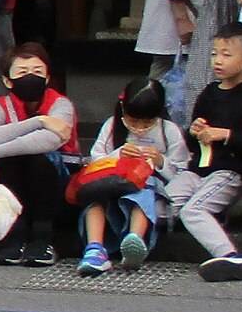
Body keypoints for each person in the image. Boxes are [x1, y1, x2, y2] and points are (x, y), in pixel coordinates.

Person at [169, 21, 242, 280]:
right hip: (198, 168)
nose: (218, 60)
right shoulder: (209, 93)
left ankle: (230, 256)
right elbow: (192, 142)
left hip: (231, 170)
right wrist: (196, 131)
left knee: (193, 211)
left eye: (227, 55)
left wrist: (226, 135)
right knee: (163, 204)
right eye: (214, 53)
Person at [0, 41, 75, 266]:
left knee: (39, 159)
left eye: (38, 72)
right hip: (12, 180)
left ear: (47, 77)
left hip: (56, 181)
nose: (30, 77)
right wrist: (39, 121)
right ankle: (15, 238)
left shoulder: (61, 105)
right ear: (7, 80)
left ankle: (43, 239)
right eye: (22, 72)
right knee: (9, 160)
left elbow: (50, 140)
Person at [74, 77, 186, 274]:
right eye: (133, 122)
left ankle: (134, 241)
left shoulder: (169, 131)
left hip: (146, 188)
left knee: (143, 188)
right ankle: (94, 249)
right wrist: (118, 155)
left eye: (147, 123)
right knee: (95, 196)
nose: (140, 128)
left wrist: (161, 161)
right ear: (123, 110)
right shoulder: (112, 126)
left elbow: (181, 171)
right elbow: (95, 161)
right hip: (110, 185)